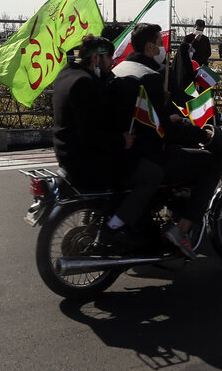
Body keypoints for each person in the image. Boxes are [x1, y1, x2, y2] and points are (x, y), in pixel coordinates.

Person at [110, 23, 220, 260]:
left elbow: (145, 115)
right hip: (147, 154)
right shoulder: (150, 76)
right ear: (150, 47)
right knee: (211, 163)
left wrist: (165, 113)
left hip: (123, 150)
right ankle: (182, 230)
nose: (164, 48)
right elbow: (165, 131)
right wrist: (199, 134)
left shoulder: (121, 68)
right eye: (161, 43)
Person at [51, 35, 150, 249]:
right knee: (149, 175)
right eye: (109, 58)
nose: (112, 62)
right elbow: (92, 134)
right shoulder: (85, 83)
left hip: (66, 154)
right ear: (96, 58)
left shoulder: (66, 74)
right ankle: (114, 228)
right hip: (86, 162)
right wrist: (122, 140)